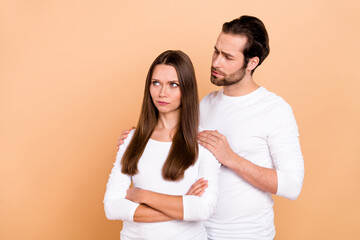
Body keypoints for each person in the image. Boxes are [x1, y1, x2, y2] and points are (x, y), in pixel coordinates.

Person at [118, 16, 305, 240]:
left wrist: (231, 158)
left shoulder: (275, 110)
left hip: (247, 234)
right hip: (195, 230)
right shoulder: (205, 104)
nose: (216, 62)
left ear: (252, 63)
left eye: (227, 57)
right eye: (216, 51)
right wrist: (139, 138)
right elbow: (174, 144)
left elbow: (292, 186)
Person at [104, 50, 221, 240]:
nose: (162, 93)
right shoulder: (132, 139)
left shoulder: (203, 143)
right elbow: (112, 207)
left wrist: (144, 196)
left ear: (187, 89)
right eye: (156, 83)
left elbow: (202, 209)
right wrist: (182, 205)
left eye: (173, 85)